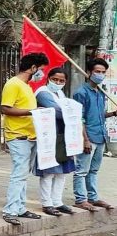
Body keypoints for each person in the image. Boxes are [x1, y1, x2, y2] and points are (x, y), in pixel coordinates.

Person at [0, 52, 49, 225]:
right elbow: (5, 108)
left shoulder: (27, 86)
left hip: (30, 136)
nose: (41, 74)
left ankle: (19, 207)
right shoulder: (13, 84)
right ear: (33, 68)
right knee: (18, 174)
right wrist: (32, 112)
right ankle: (10, 210)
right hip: (18, 135)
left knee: (23, 174)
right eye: (41, 70)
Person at [72, 57, 116, 211]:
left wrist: (112, 113)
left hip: (101, 136)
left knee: (93, 170)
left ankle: (93, 197)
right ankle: (80, 199)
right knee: (82, 170)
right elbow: (79, 118)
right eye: (97, 71)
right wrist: (85, 139)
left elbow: (98, 114)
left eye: (103, 72)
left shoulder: (100, 91)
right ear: (89, 72)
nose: (100, 74)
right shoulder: (81, 93)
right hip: (88, 137)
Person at [34, 67, 77, 216]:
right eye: (55, 79)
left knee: (62, 172)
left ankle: (57, 201)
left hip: (62, 136)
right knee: (49, 171)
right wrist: (72, 112)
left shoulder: (60, 93)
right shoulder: (43, 93)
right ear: (48, 78)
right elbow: (58, 111)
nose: (58, 82)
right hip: (48, 135)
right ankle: (47, 203)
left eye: (61, 80)